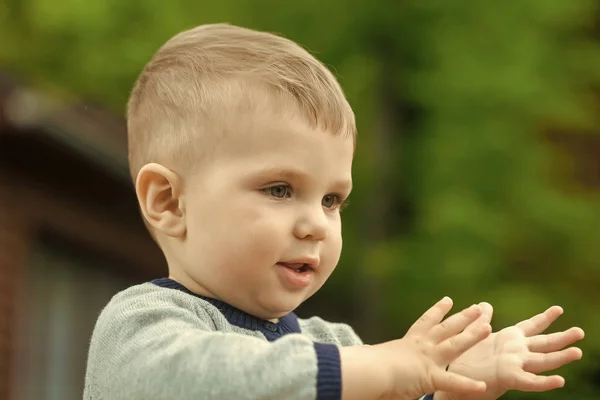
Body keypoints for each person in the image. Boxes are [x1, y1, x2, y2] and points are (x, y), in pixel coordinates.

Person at [83, 23, 584, 400]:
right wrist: (382, 369)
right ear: (168, 201)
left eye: (332, 200)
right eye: (280, 189)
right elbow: (208, 379)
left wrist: (451, 381)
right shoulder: (142, 326)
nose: (317, 224)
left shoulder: (334, 343)